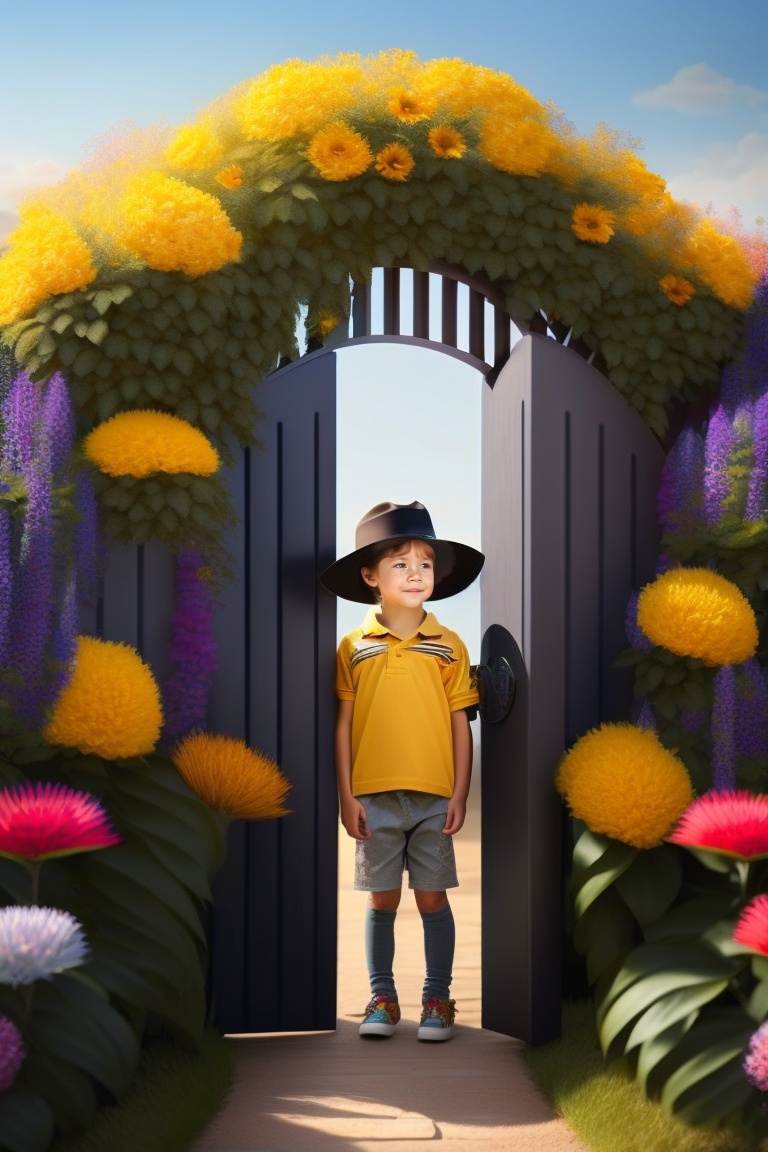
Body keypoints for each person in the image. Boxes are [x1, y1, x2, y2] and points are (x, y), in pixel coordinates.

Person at [320, 501, 484, 1041]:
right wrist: (347, 796)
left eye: (425, 564)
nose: (415, 574)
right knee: (381, 899)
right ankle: (382, 1000)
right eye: (400, 563)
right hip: (373, 798)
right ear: (370, 575)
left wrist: (459, 792)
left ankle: (438, 999)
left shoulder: (449, 646)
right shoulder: (354, 647)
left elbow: (461, 723)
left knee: (433, 899)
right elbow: (343, 725)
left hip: (435, 798)